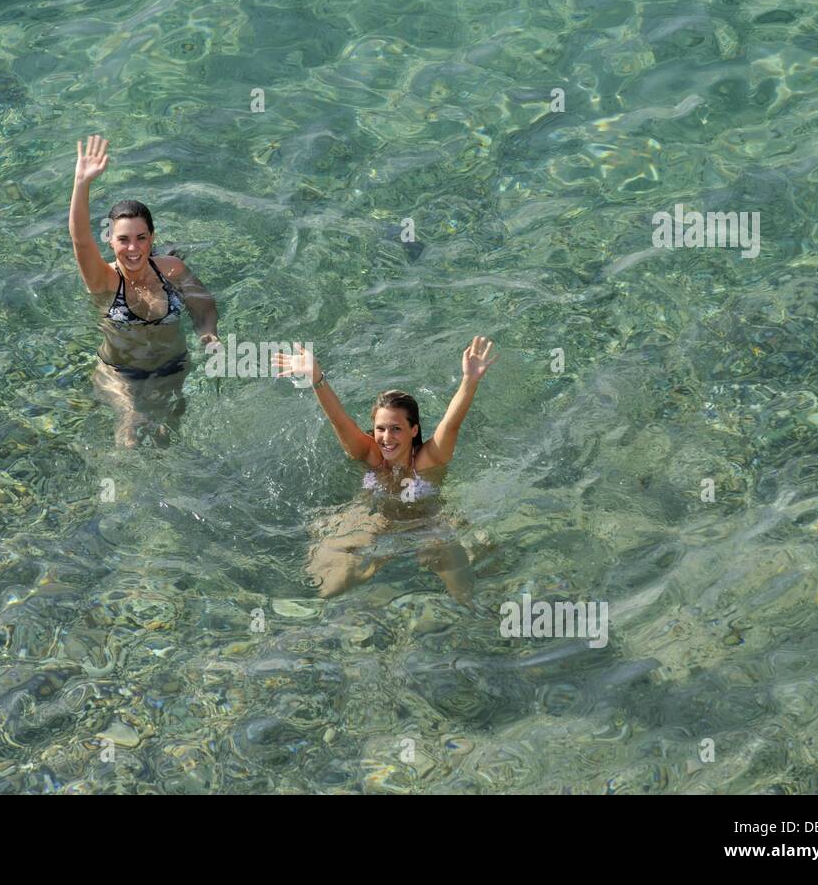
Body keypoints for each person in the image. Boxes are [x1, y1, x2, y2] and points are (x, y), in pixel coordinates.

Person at [272, 337, 498, 604]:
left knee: (463, 587)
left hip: (426, 522)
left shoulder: (427, 458)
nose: (387, 438)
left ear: (413, 430)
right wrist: (317, 379)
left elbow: (451, 424)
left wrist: (469, 381)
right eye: (380, 428)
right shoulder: (370, 454)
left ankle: (474, 619)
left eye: (396, 429)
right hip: (373, 519)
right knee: (331, 583)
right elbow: (339, 420)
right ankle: (303, 614)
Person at [68, 135, 219, 446]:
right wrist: (81, 184)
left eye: (141, 237)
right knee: (130, 438)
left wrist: (208, 332)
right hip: (122, 376)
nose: (133, 248)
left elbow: (202, 304)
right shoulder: (104, 281)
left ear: (152, 238)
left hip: (174, 368)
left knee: (171, 438)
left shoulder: (172, 269)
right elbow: (81, 242)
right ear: (110, 241)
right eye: (123, 239)